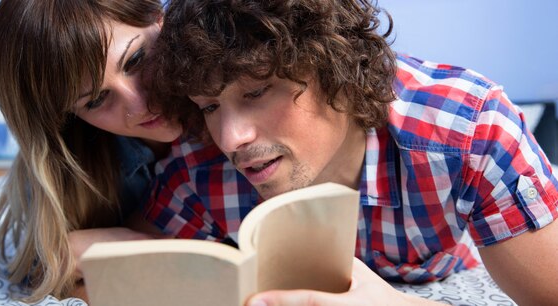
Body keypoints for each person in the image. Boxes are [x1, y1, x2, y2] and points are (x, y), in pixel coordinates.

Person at [146, 0, 558, 305]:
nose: (231, 137)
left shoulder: (470, 130)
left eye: (256, 92)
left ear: (335, 70)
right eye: (210, 106)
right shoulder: (197, 162)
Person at [0, 0, 182, 302]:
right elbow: (47, 272)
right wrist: (66, 255)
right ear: (68, 117)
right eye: (96, 100)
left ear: (158, 19)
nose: (139, 105)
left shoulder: (240, 88)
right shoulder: (71, 169)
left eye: (136, 60)